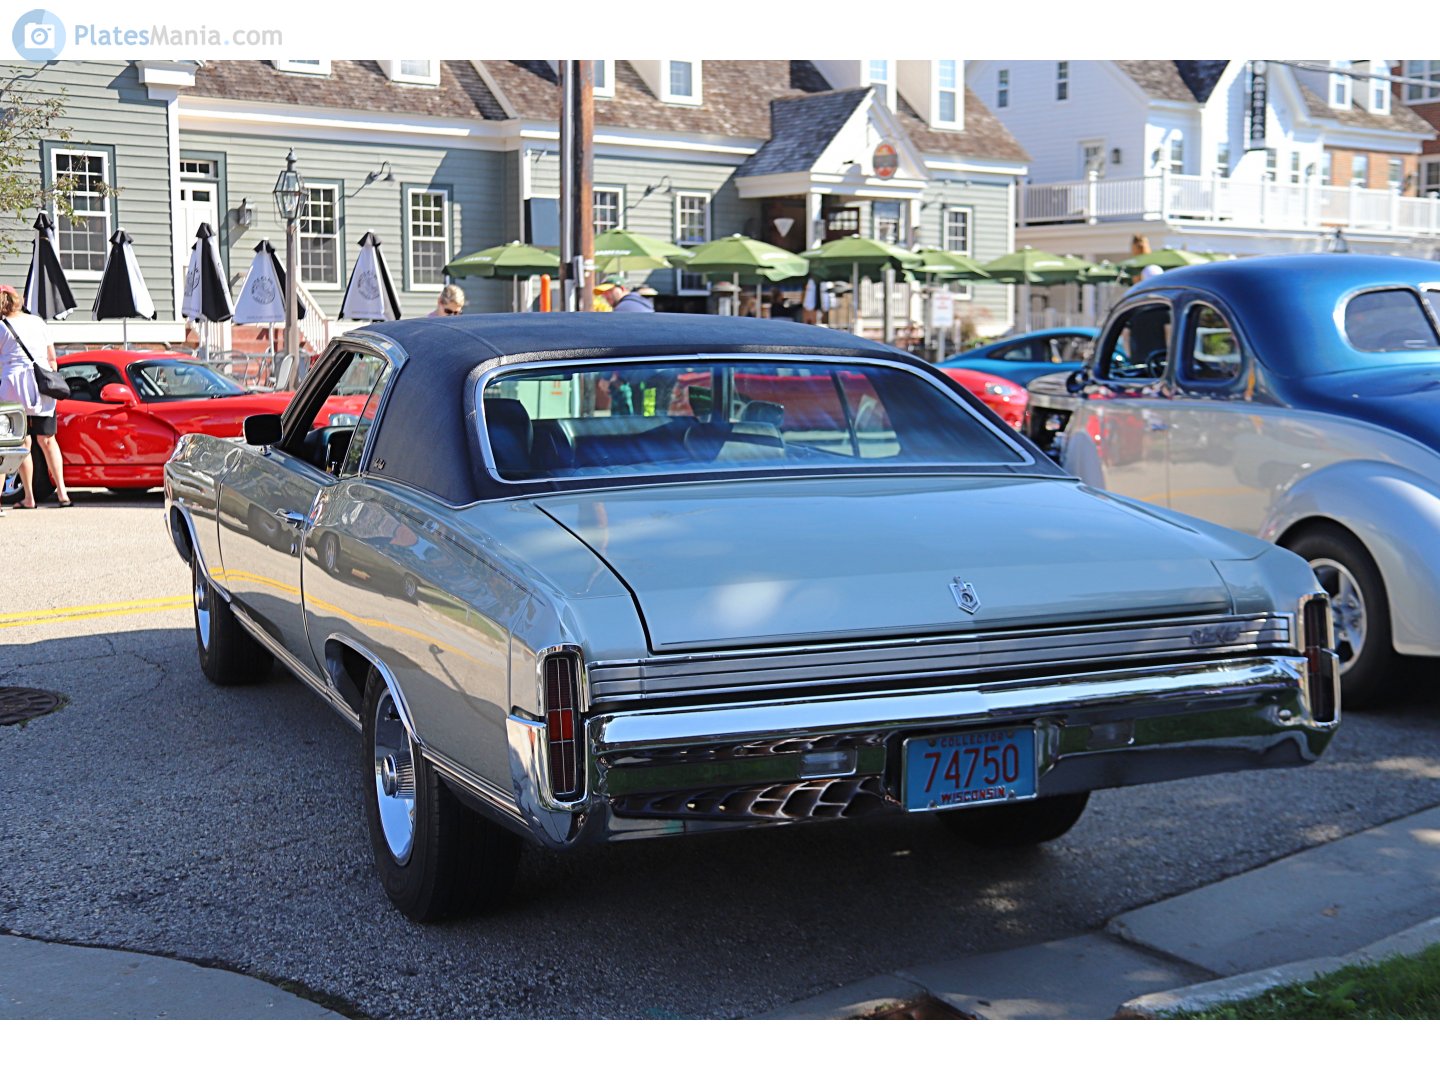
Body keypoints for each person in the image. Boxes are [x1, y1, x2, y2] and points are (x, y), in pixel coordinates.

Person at [0, 284, 70, 508]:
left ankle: (29, 496)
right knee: (48, 440)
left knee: (21, 442)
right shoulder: (38, 322)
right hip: (41, 386)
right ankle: (63, 494)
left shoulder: (1, 327)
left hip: (13, 386)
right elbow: (52, 358)